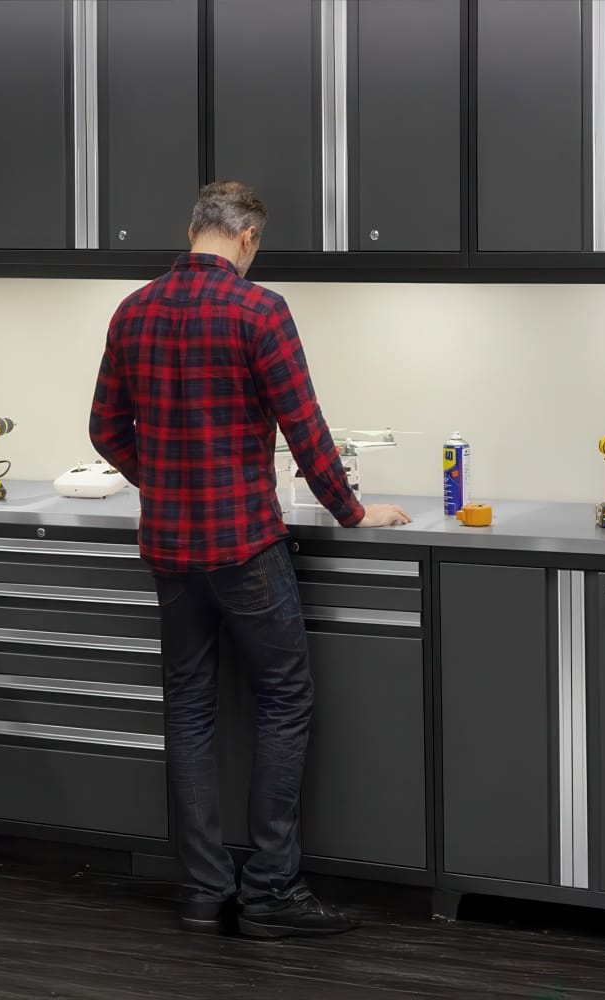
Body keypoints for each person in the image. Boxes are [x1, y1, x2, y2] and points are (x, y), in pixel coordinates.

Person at [89, 180, 411, 939]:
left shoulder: (132, 311)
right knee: (284, 702)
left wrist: (160, 481)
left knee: (190, 711)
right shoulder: (259, 310)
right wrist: (355, 510)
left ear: (195, 227)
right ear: (247, 240)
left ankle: (204, 890)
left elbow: (106, 429)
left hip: (170, 551)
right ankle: (270, 889)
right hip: (244, 548)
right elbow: (306, 430)